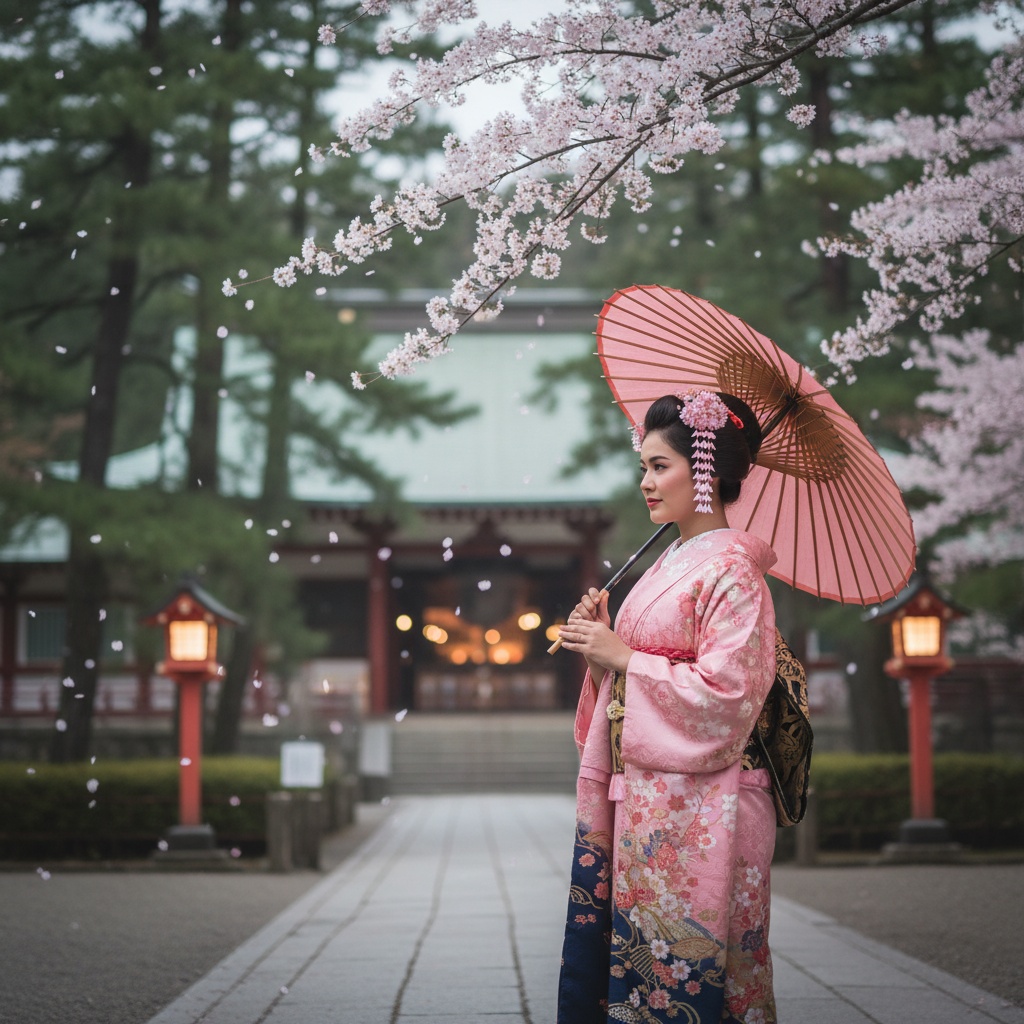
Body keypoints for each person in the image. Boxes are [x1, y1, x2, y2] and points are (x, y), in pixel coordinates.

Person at [555, 390, 779, 1024]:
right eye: (644, 467)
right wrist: (603, 654)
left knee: (703, 977)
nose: (645, 483)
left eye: (660, 467)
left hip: (710, 807)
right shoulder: (671, 562)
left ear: (703, 469)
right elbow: (633, 685)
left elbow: (729, 697)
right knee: (635, 968)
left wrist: (625, 659)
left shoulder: (734, 572)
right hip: (653, 802)